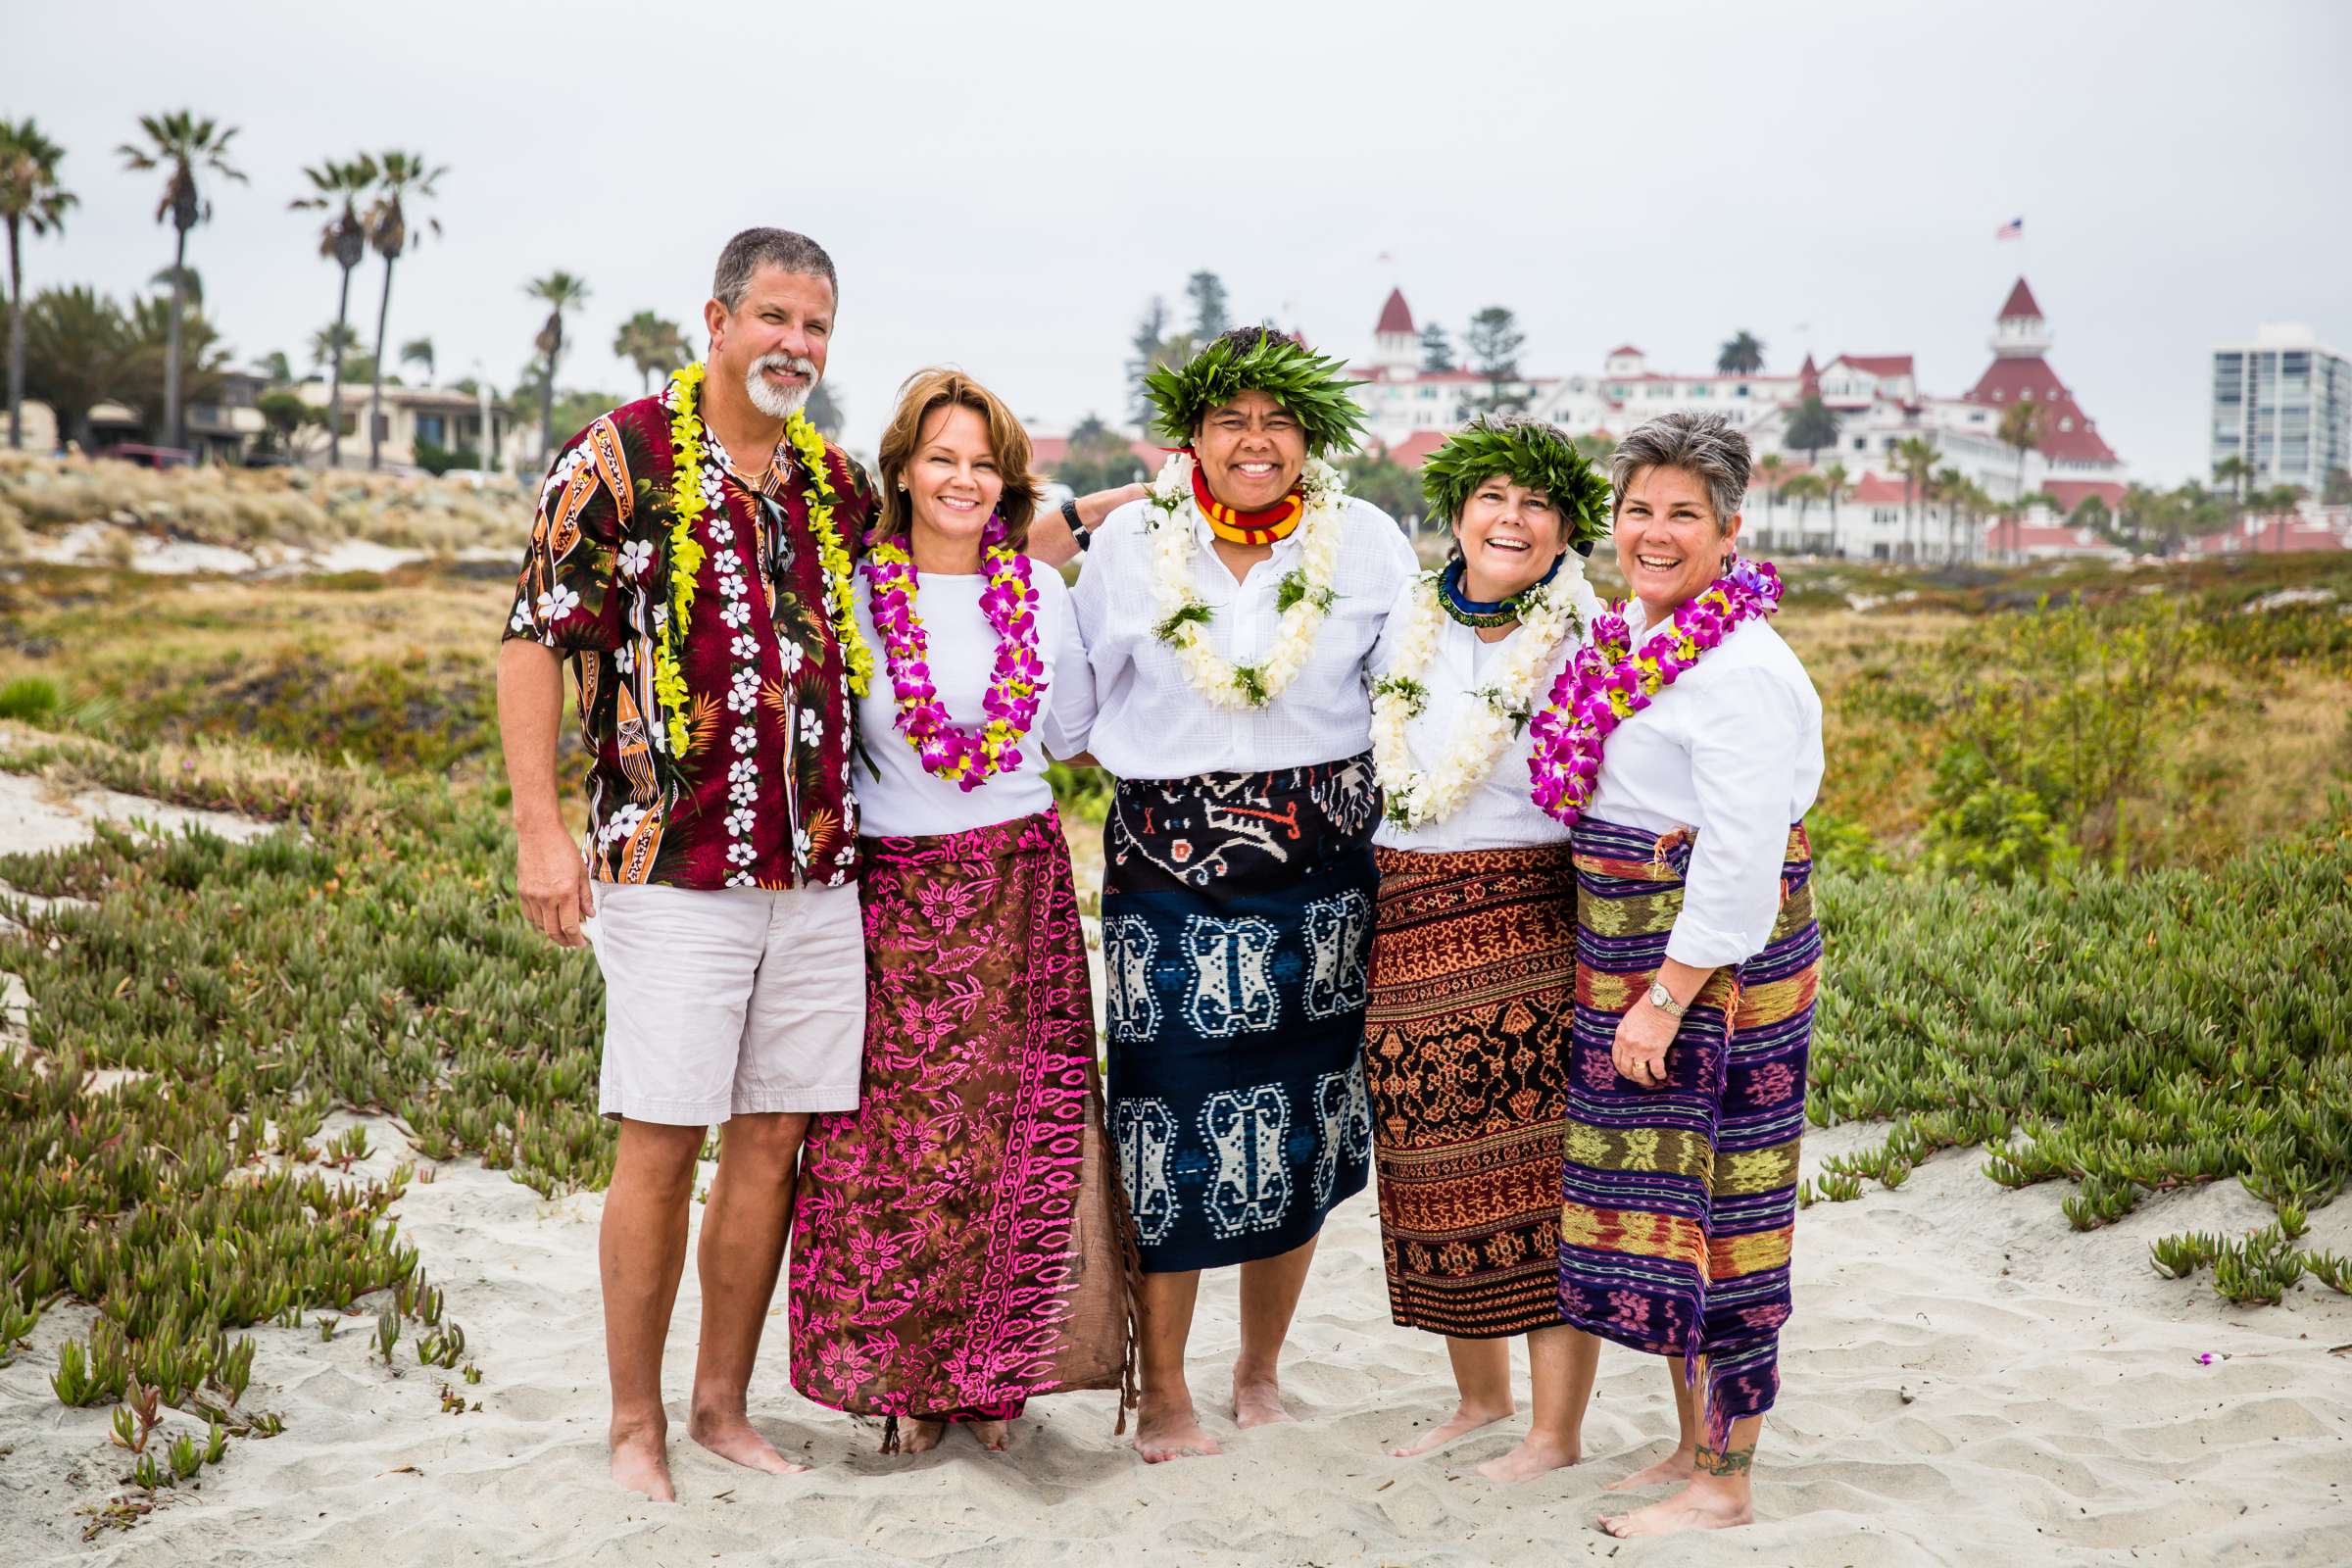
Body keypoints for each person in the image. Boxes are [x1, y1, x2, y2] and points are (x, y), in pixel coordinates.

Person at [496, 227, 877, 1501]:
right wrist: (541, 829)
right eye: (774, 317)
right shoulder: (621, 455)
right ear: (716, 320)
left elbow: (963, 544)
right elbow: (533, 637)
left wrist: (1103, 512)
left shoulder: (835, 484)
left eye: (816, 327)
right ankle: (633, 1424)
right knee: (660, 1144)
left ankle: (721, 1405)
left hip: (817, 878)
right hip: (668, 867)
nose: (796, 346)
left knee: (771, 1140)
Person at [1053, 326, 1418, 1461]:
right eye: (1231, 421)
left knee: (1301, 1127)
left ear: (1312, 435)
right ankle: (1163, 1390)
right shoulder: (1128, 547)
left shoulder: (1366, 541)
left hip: (1324, 880)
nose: (1255, 442)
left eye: (1278, 422)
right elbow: (1065, 715)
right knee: (1167, 1131)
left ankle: (1259, 1371)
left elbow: (1405, 708)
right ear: (1193, 437)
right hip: (1166, 876)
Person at [787, 368, 1135, 1454]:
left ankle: (997, 1382)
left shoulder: (1038, 595)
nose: (964, 478)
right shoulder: (852, 589)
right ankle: (909, 1382)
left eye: (985, 463)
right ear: (899, 468)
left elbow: (1073, 731)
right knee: (891, 1144)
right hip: (892, 889)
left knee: (1010, 1135)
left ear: (1009, 482)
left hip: (1019, 887)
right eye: (943, 456)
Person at [1521, 411, 1823, 1537]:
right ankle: (1692, 1444)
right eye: (1638, 509)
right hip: (1633, 942)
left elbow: (1741, 865)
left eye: (1682, 514)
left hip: (1705, 966)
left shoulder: (1739, 668)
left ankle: (1725, 1483)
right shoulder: (1635, 634)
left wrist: (1662, 998)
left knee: (1725, 1211)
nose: (1654, 532)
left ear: (1731, 528)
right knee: (1661, 1208)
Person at [1358, 416, 1610, 1478]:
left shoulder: (1591, 636)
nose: (1510, 519)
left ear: (1563, 531)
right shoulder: (1401, 619)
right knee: (1432, 1172)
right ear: (1457, 512)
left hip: (1532, 921)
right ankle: (1479, 1400)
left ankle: (1554, 1436)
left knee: (1539, 1183)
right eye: (1491, 498)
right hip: (1407, 920)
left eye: (1535, 504)